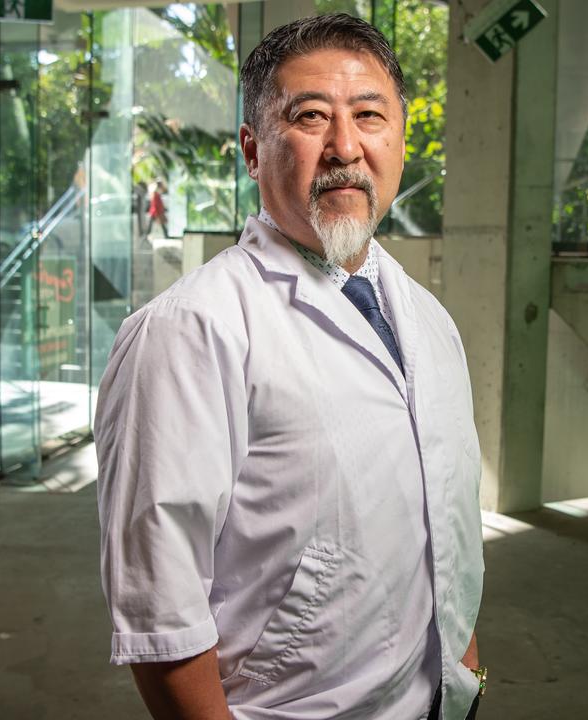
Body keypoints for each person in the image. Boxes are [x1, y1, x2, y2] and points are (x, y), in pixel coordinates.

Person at [93, 13, 485, 720]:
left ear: (400, 138)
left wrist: (467, 671)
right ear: (251, 149)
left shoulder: (428, 319)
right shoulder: (190, 331)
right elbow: (160, 605)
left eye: (370, 115)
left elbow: (443, 519)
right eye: (310, 117)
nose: (345, 147)